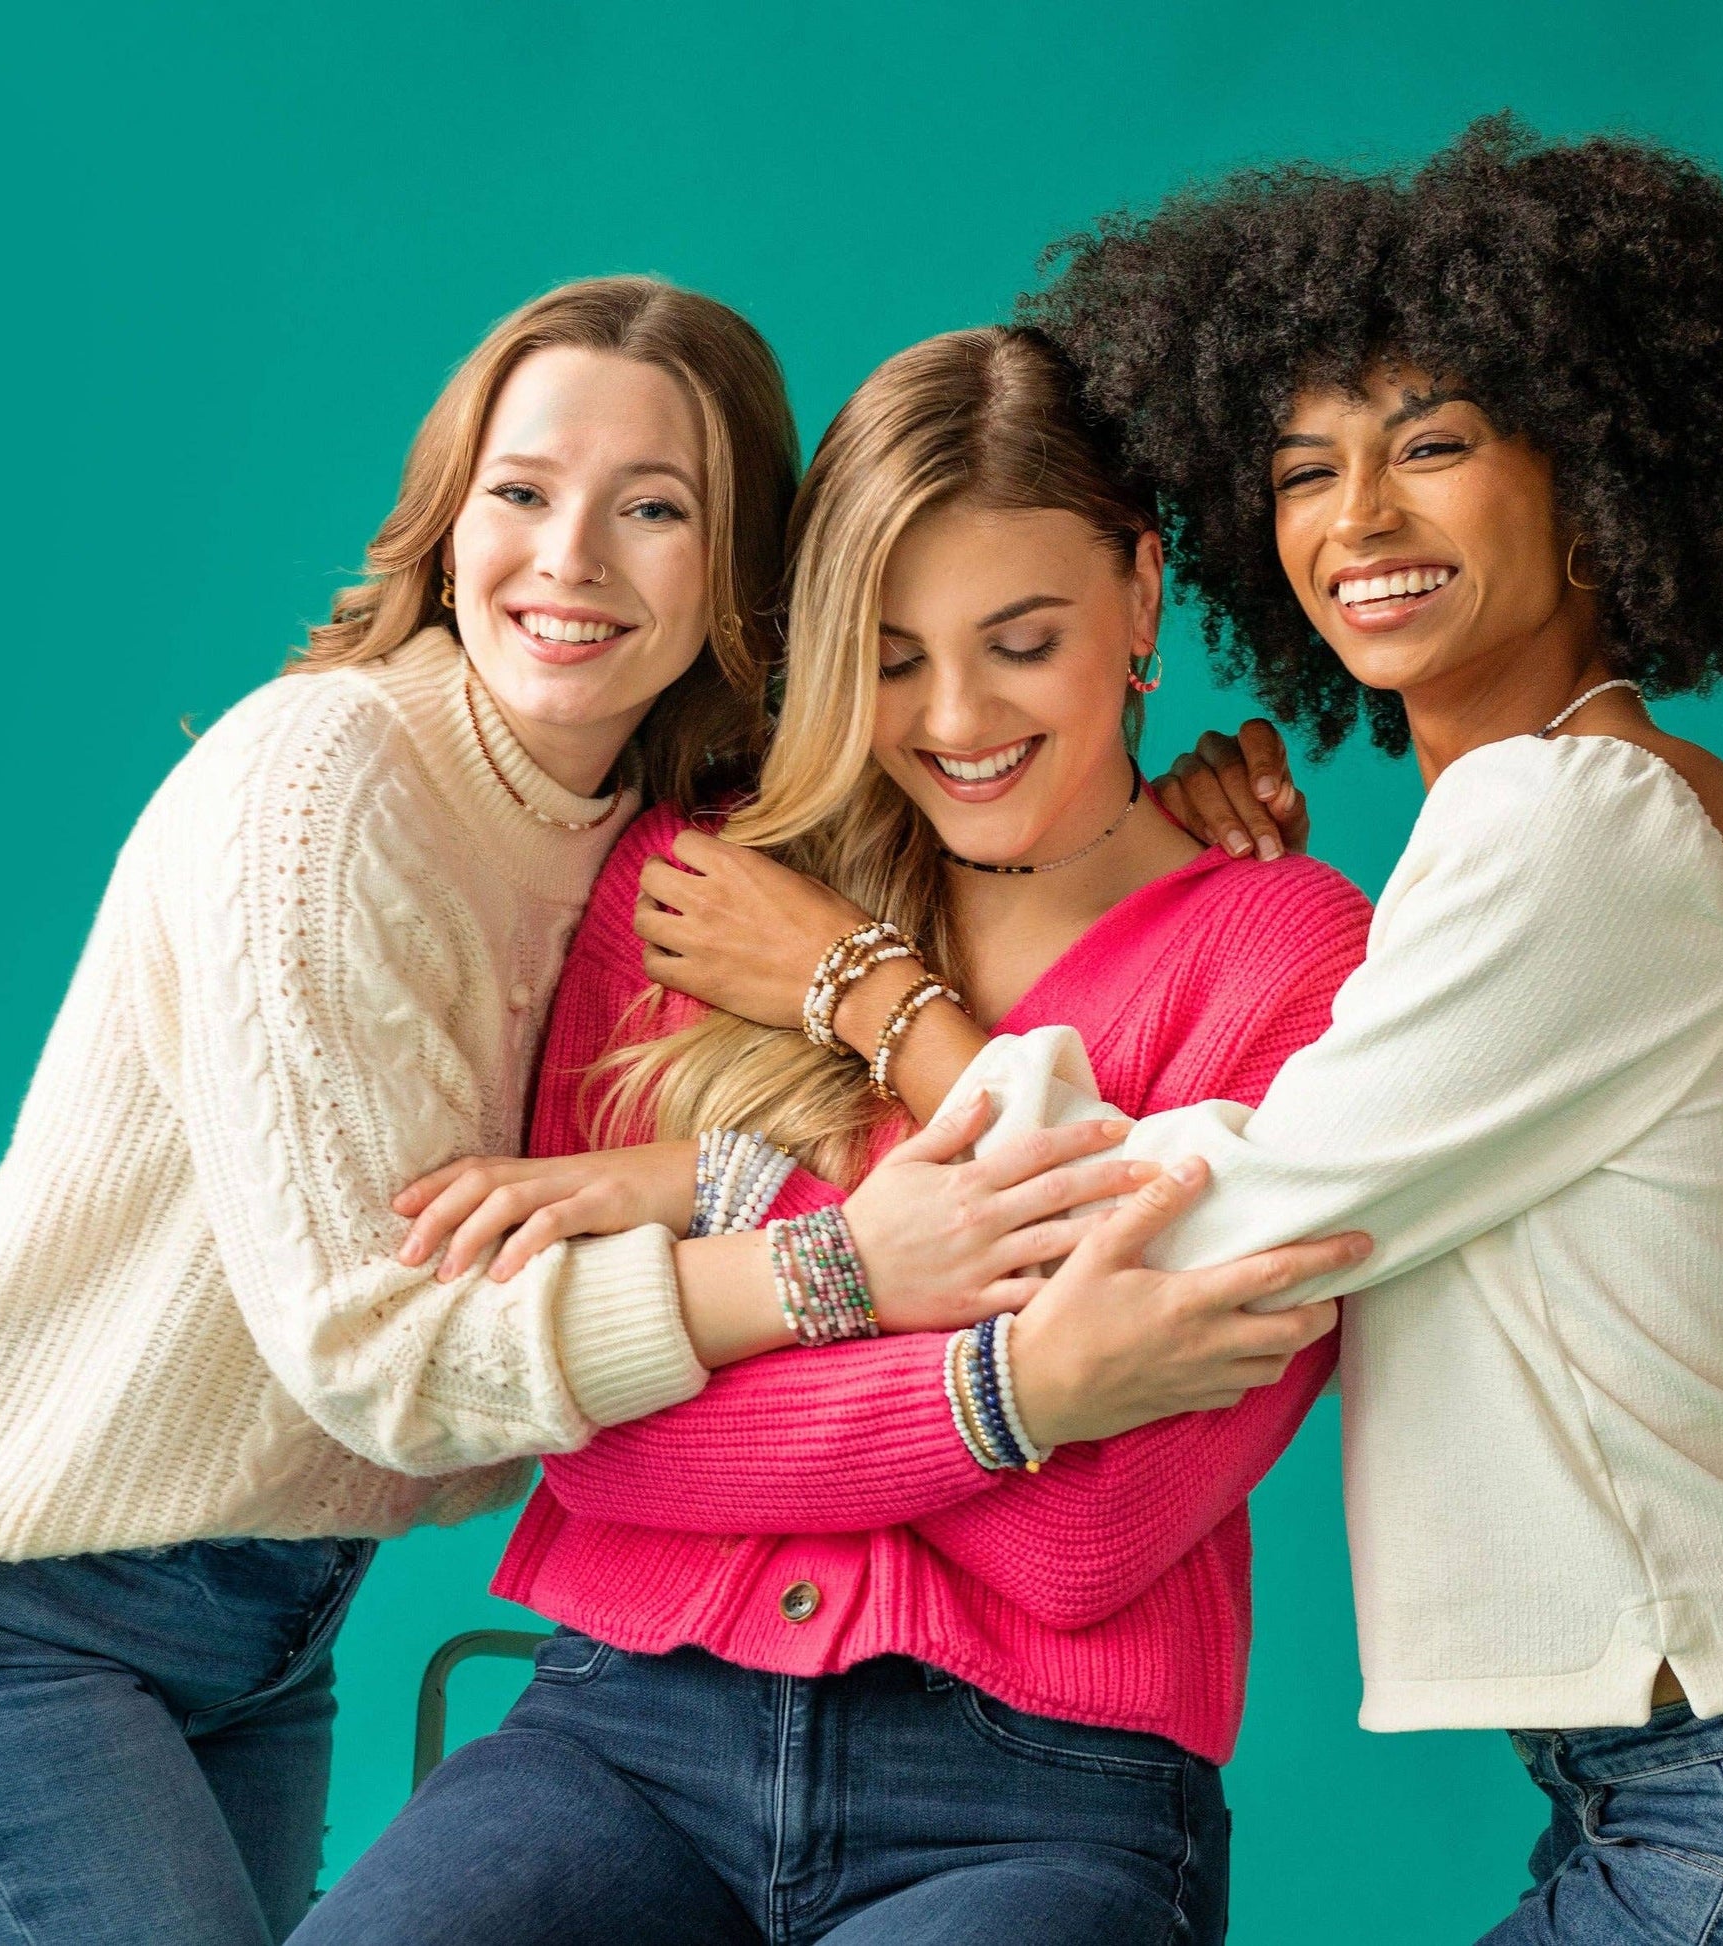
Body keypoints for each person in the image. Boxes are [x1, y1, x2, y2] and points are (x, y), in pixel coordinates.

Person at [0, 277, 1134, 1946]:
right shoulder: (321, 780)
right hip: (15, 1609)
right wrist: (835, 1270)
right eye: (520, 493)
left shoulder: (660, 840)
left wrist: (1187, 796)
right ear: (448, 525)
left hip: (277, 1617)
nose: (569, 557)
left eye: (651, 508)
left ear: (734, 575)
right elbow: (383, 1353)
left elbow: (982, 1052)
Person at [296, 324, 1373, 1946]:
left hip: (1039, 1800)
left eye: (1022, 641)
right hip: (619, 1741)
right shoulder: (703, 883)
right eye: (885, 654)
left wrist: (753, 1177)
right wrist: (1013, 1380)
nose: (954, 717)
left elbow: (1096, 1527)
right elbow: (587, 1426)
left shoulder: (1288, 957)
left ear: (1142, 599)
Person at [977, 119, 1723, 1941]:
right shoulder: (1609, 798)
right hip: (1720, 1758)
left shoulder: (1566, 818)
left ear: (1596, 474)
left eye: (1434, 446)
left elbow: (1253, 1219)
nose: (1357, 522)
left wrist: (883, 1000)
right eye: (1304, 468)